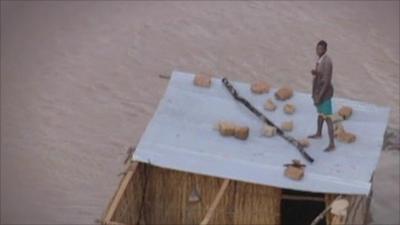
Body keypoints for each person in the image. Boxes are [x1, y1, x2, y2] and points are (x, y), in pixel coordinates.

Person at [308, 40, 335, 151]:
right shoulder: (321, 59)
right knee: (320, 114)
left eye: (320, 49)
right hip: (319, 92)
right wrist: (316, 73)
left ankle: (332, 144)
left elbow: (327, 81)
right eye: (317, 48)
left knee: (328, 118)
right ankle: (319, 133)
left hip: (324, 93)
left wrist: (320, 96)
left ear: (325, 50)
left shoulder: (327, 61)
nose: (318, 50)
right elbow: (322, 75)